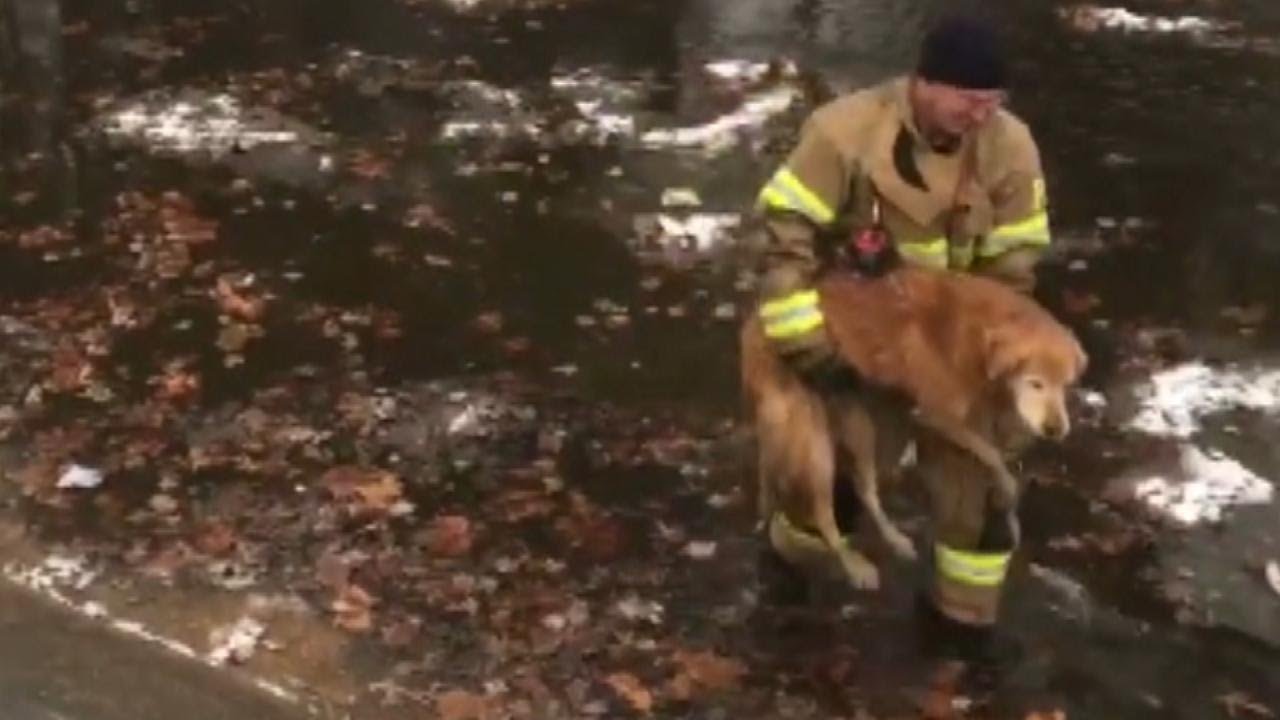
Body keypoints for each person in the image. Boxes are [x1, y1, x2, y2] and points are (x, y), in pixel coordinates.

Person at [750, 14, 1051, 631]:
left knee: (984, 487)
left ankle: (961, 628)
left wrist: (994, 353)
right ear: (925, 83)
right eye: (969, 101)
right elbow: (785, 241)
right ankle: (793, 581)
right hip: (856, 337)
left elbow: (1016, 262)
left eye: (993, 103)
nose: (980, 117)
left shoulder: (1010, 146)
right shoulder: (842, 134)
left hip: (953, 348)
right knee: (830, 474)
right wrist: (807, 344)